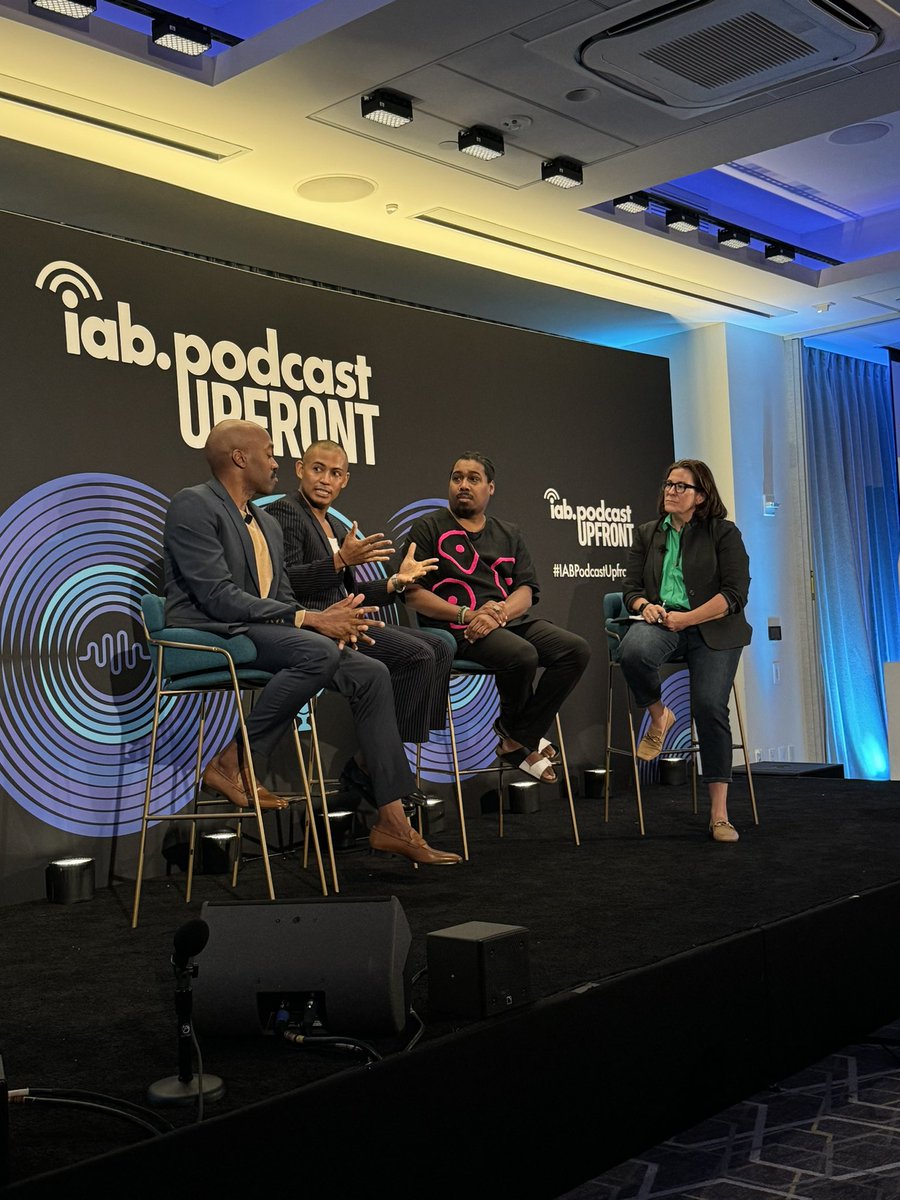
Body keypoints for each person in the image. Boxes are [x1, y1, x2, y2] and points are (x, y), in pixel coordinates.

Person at [163, 418, 461, 866]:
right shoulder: (194, 504)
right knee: (319, 648)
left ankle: (392, 821)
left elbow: (281, 595)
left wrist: (329, 621)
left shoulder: (264, 520)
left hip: (266, 629)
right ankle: (234, 758)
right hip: (214, 630)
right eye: (267, 452)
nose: (274, 461)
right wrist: (311, 619)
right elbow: (217, 596)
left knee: (372, 671)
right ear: (240, 458)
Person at [266, 439, 454, 800]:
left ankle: (374, 762)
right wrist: (339, 562)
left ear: (345, 481)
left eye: (335, 473)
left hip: (347, 619)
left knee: (441, 646)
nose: (325, 479)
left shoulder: (332, 525)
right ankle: (385, 766)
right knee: (418, 655)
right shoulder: (286, 512)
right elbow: (284, 580)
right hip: (315, 627)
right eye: (318, 469)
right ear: (300, 469)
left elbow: (349, 593)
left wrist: (396, 582)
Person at [403, 453, 590, 782]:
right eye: (457, 477)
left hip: (505, 621)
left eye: (473, 479)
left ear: (490, 488)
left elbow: (526, 591)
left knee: (574, 649)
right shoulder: (428, 528)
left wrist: (500, 613)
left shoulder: (509, 533)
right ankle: (521, 740)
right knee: (521, 654)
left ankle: (518, 735)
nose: (463, 484)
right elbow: (413, 594)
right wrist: (468, 613)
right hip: (457, 627)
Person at [619, 459, 751, 843]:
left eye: (681, 486)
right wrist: (645, 607)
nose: (671, 491)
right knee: (632, 651)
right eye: (669, 484)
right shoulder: (647, 534)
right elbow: (630, 589)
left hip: (712, 627)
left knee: (709, 706)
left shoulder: (723, 533)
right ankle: (660, 715)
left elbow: (734, 595)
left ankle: (720, 814)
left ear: (701, 496)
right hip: (665, 623)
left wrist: (689, 617)